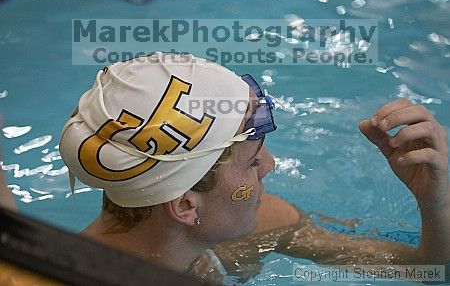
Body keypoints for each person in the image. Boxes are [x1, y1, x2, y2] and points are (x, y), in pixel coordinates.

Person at [59, 52, 449, 284]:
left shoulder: (260, 226)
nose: (270, 165)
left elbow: (423, 273)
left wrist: (436, 204)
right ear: (186, 206)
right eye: (251, 161)